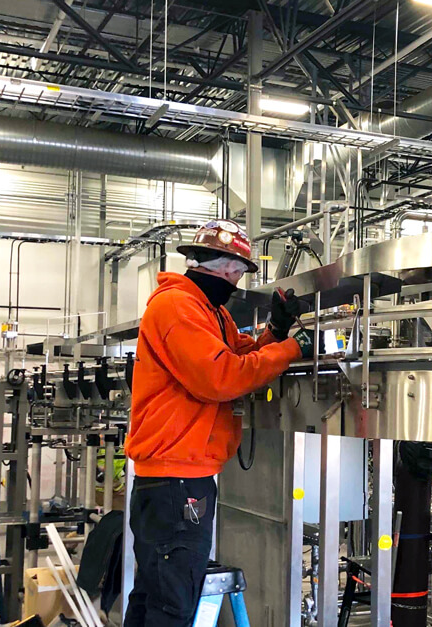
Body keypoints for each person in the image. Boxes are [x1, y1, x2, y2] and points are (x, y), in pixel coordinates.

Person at [123, 219, 316, 626]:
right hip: (176, 480)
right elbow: (223, 376)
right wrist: (292, 350)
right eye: (238, 270)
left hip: (179, 477)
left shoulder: (209, 310)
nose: (237, 279)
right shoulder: (178, 307)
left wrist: (276, 330)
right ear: (226, 266)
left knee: (155, 596)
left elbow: (242, 353)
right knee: (173, 604)